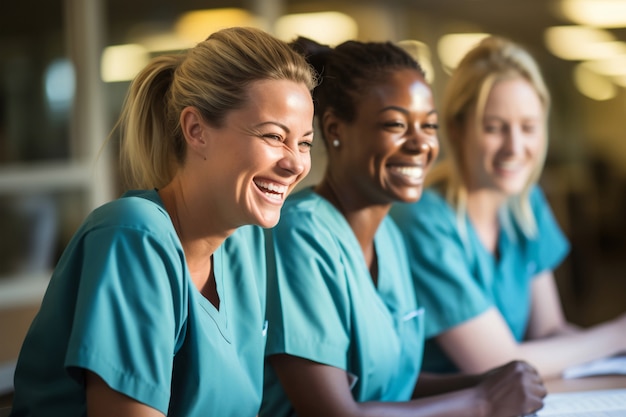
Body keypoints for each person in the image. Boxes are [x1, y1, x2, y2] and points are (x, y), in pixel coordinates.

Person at [9, 26, 315, 417]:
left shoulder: (244, 243)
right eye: (274, 136)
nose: (295, 163)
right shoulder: (133, 235)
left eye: (304, 142)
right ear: (196, 130)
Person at [259, 36, 545, 417]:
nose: (420, 144)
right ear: (334, 129)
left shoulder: (389, 238)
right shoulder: (299, 235)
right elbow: (336, 413)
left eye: (428, 126)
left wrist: (488, 381)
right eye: (395, 123)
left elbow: (395, 383)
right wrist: (483, 401)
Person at [389, 35, 626, 379]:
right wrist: (617, 334)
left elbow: (547, 332)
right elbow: (497, 362)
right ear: (456, 129)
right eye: (494, 128)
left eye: (528, 127)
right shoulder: (422, 216)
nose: (515, 147)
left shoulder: (527, 203)